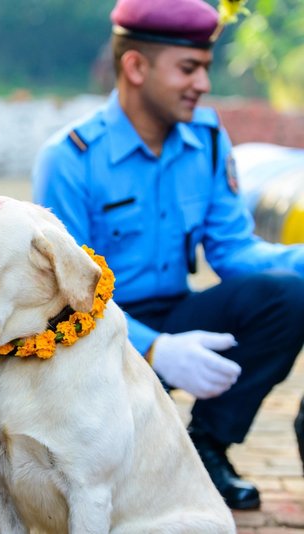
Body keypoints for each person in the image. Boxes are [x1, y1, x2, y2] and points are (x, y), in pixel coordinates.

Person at [32, 0, 304, 511]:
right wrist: (155, 350)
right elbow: (65, 296)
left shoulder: (206, 139)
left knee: (288, 296)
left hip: (176, 311)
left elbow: (234, 251)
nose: (202, 83)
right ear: (135, 67)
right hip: (93, 336)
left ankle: (208, 446)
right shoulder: (70, 158)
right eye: (189, 68)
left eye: (204, 67)